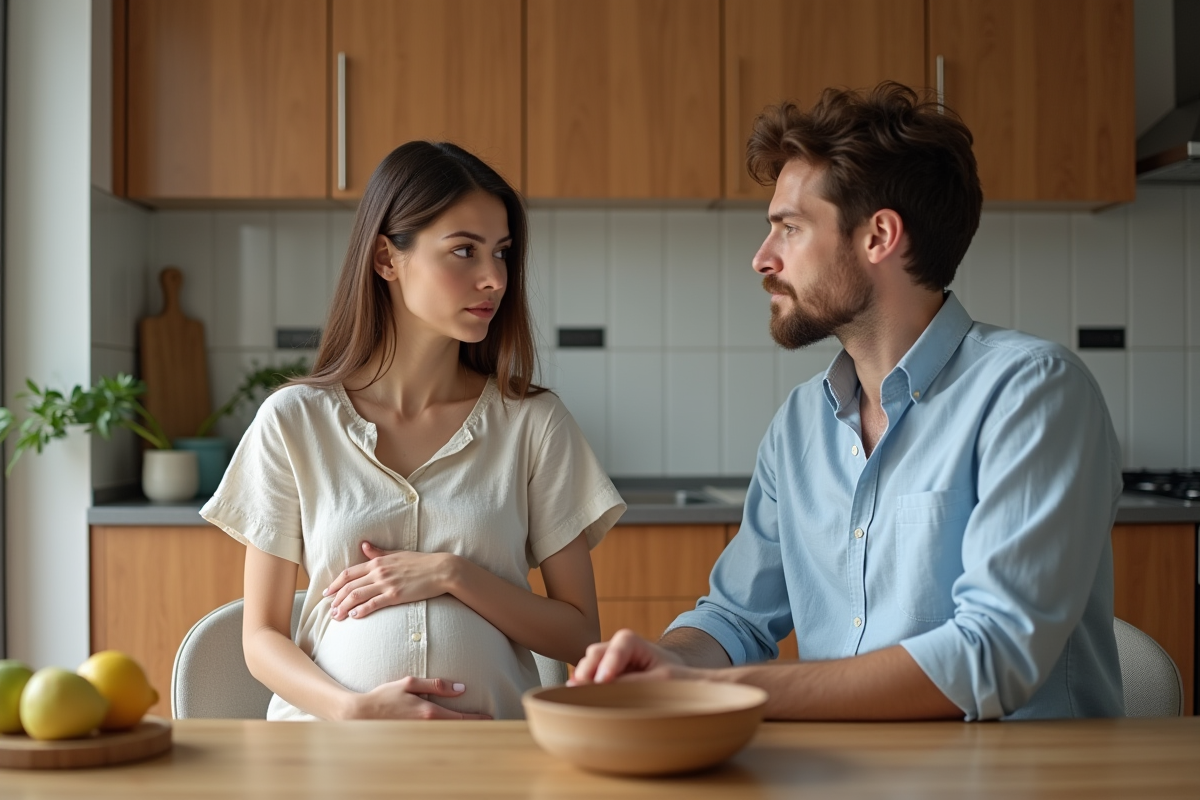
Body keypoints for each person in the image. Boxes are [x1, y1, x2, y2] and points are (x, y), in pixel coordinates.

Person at [572, 83, 1125, 721]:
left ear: (879, 236)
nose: (762, 259)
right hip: (841, 765)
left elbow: (993, 654)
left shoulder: (1033, 393)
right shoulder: (800, 424)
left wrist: (722, 690)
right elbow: (735, 617)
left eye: (790, 228)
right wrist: (667, 662)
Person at [201, 141, 625, 721]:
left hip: (490, 752)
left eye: (501, 253)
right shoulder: (292, 421)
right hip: (328, 748)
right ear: (387, 258)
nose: (494, 278)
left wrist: (452, 574)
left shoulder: (535, 424)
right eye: (464, 251)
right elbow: (261, 639)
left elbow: (580, 636)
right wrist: (353, 710)